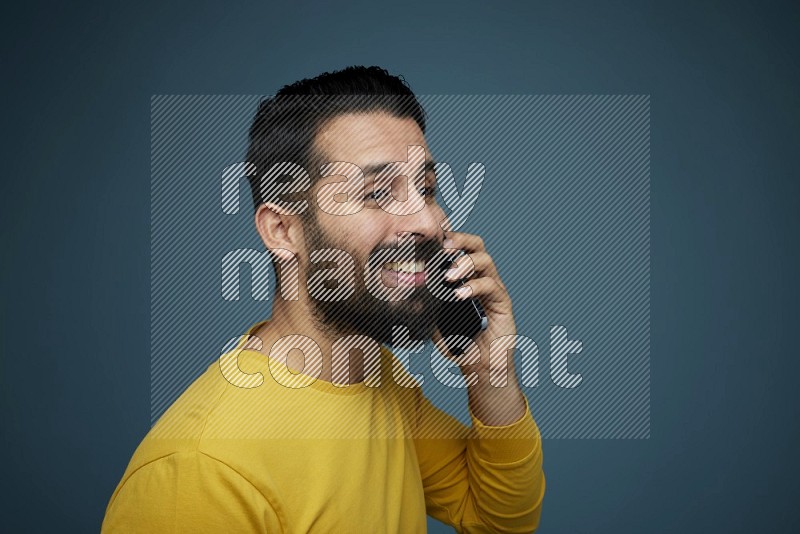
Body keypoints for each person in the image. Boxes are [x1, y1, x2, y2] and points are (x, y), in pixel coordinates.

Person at [102, 66, 545, 533]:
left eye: (427, 189)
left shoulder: (373, 376)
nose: (428, 221)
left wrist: (489, 372)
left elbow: (495, 519)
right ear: (283, 230)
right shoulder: (199, 474)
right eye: (376, 193)